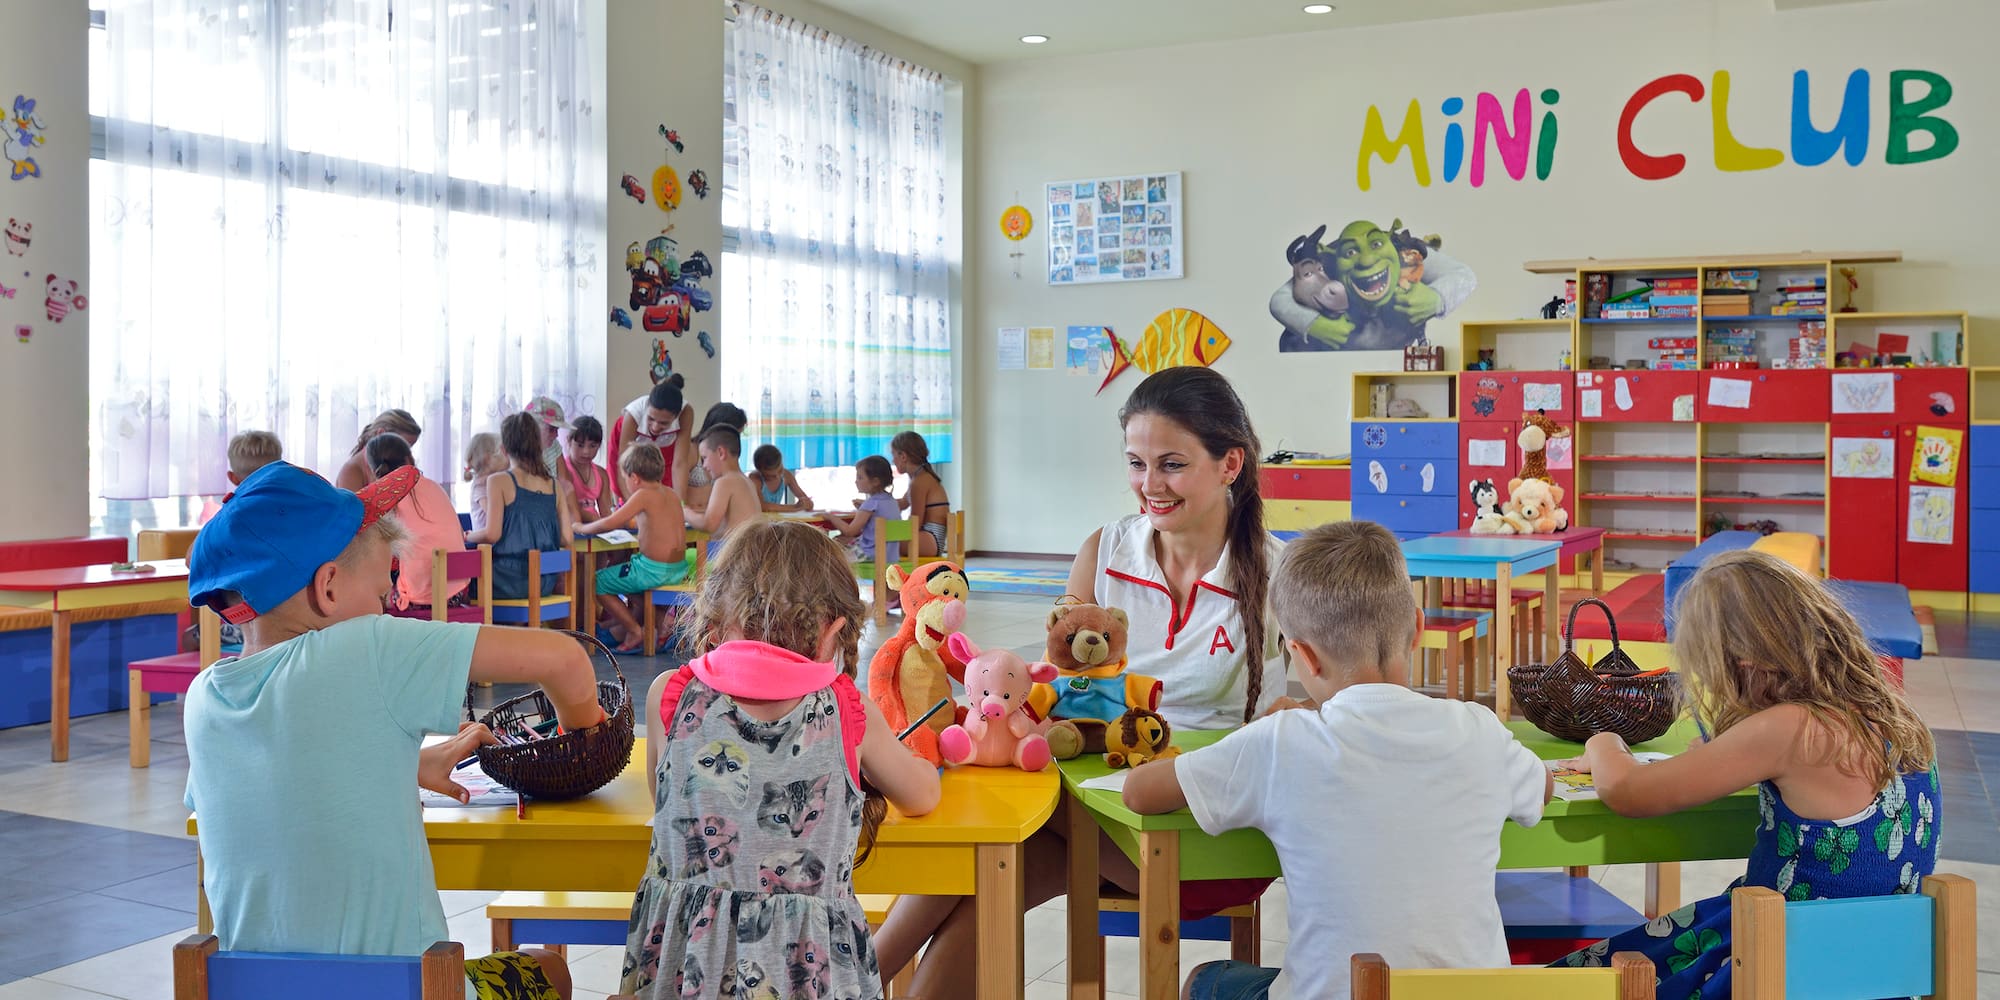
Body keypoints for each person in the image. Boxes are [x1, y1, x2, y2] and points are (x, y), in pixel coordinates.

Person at [875, 366, 1284, 992]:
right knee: (994, 872)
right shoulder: (1107, 550)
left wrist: (1295, 710)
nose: (1149, 486)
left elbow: (1320, 712)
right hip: (1093, 810)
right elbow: (1063, 693)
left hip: (1208, 832)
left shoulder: (1279, 570)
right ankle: (862, 969)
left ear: (1230, 464)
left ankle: (859, 968)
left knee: (996, 842)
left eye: (1172, 464)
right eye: (1136, 463)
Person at [181, 461, 606, 1000]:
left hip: (261, 991)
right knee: (547, 968)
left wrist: (404, 765)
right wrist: (583, 739)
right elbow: (567, 660)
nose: (392, 606)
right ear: (329, 587)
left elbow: (283, 787)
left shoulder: (205, 697)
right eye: (384, 594)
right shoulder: (367, 649)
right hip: (401, 992)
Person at [1124, 521, 1552, 999]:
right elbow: (1543, 789)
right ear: (1417, 628)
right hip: (1469, 994)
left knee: (1208, 980)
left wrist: (1250, 736)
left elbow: (1140, 792)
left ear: (1303, 657)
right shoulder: (1479, 729)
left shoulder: (1280, 741)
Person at [1552, 550, 1940, 997]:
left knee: (1579, 980)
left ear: (1742, 662)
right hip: (1874, 973)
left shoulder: (1791, 728)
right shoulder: (1892, 718)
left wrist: (1604, 743)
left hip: (1777, 965)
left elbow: (1626, 791)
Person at [618, 519, 940, 999]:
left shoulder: (672, 695)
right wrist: (921, 756)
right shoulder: (847, 708)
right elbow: (922, 796)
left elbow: (666, 804)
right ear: (836, 628)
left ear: (716, 618)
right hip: (804, 971)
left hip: (685, 969)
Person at [572, 442, 692, 652]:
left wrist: (582, 526)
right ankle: (649, 619)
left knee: (598, 581)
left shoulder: (643, 495)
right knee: (626, 578)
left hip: (652, 570)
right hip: (677, 569)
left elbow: (610, 522)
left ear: (634, 477)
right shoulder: (671, 494)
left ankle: (634, 629)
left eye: (625, 478)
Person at [465, 412, 575, 599]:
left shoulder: (498, 480)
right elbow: (567, 538)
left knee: (464, 586)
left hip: (506, 580)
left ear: (504, 449)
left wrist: (468, 536)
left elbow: (492, 534)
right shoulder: (554, 484)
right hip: (544, 583)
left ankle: (497, 629)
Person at [365, 433, 470, 612]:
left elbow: (377, 548)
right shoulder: (435, 487)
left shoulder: (386, 496)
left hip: (420, 598)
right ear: (409, 458)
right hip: (459, 592)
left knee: (372, 596)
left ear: (373, 469)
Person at [610, 376, 696, 504]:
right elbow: (623, 465)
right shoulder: (633, 413)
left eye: (663, 423)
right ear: (647, 407)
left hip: (664, 446)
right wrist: (631, 506)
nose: (655, 427)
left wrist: (680, 505)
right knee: (627, 488)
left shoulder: (686, 413)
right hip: (627, 444)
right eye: (651, 419)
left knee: (663, 489)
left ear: (676, 416)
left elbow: (680, 463)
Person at [683, 425, 760, 542]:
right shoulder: (746, 481)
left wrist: (685, 512)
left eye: (704, 458)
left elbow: (709, 524)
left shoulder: (724, 482)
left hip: (735, 553)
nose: (704, 466)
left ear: (721, 452)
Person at [820, 455, 900, 563]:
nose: (856, 481)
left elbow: (850, 531)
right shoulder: (891, 501)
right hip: (891, 554)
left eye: (860, 477)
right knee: (840, 539)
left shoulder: (871, 503)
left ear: (875, 481)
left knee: (834, 544)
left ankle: (837, 578)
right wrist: (862, 508)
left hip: (870, 554)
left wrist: (830, 517)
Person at [890, 430, 949, 557]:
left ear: (903, 457)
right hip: (933, 539)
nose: (892, 460)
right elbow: (902, 503)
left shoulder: (919, 482)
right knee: (882, 541)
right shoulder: (920, 477)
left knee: (882, 544)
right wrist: (875, 504)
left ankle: (883, 576)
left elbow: (915, 522)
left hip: (930, 539)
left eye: (893, 455)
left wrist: (893, 530)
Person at [333, 408, 421, 491]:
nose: (406, 455)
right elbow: (353, 507)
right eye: (401, 446)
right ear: (381, 434)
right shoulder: (351, 471)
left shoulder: (394, 464)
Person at [683, 402, 748, 511]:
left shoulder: (725, 456)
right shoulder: (691, 450)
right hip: (691, 521)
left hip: (715, 521)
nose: (734, 440)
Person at [562, 415, 610, 522]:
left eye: (592, 446)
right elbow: (567, 507)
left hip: (594, 530)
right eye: (580, 445)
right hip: (570, 528)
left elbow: (606, 512)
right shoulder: (563, 470)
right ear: (569, 441)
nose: (586, 452)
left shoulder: (601, 474)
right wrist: (596, 520)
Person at [751, 443, 813, 513]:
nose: (778, 476)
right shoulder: (755, 479)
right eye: (771, 476)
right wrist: (795, 507)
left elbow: (805, 499)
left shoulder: (786, 475)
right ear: (759, 471)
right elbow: (763, 507)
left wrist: (807, 503)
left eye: (780, 470)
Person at [463, 431, 506, 531]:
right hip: (485, 543)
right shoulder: (480, 486)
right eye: (502, 453)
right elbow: (494, 513)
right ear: (488, 458)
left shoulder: (494, 480)